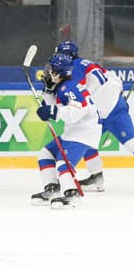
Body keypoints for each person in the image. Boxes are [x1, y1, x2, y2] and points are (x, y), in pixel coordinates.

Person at [55, 41, 134, 192]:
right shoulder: (86, 63)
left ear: (67, 55)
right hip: (107, 109)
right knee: (88, 140)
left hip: (111, 110)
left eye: (59, 55)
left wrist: (83, 98)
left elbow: (82, 88)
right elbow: (112, 80)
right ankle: (96, 177)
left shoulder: (74, 65)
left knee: (130, 141)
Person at [31, 53, 101, 208]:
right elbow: (55, 106)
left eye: (51, 69)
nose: (49, 72)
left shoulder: (68, 87)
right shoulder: (62, 87)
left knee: (63, 162)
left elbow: (77, 112)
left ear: (59, 72)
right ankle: (52, 189)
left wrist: (53, 112)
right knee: (45, 154)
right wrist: (48, 92)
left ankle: (71, 194)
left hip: (83, 132)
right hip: (74, 131)